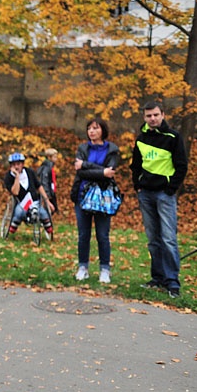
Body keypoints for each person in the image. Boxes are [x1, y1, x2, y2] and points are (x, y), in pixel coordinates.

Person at [130, 101, 188, 299]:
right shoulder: (141, 139)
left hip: (165, 194)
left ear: (163, 114)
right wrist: (137, 185)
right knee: (153, 240)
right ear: (144, 117)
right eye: (148, 116)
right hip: (145, 193)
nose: (152, 118)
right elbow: (135, 165)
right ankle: (157, 278)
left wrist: (171, 188)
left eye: (155, 115)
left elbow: (181, 165)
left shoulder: (173, 137)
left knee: (168, 239)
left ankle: (172, 282)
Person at [70, 119, 120, 283]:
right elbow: (81, 173)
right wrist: (100, 171)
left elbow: (110, 173)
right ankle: (83, 267)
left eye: (95, 128)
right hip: (82, 196)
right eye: (89, 128)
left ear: (103, 130)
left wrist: (86, 165)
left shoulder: (112, 149)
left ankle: (105, 269)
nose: (91, 131)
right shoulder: (83, 148)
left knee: (102, 235)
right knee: (83, 234)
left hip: (103, 197)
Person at [3, 152, 55, 238]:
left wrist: (47, 201)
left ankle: (48, 229)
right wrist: (17, 177)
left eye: (18, 164)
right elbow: (15, 192)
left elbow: (39, 186)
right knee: (19, 212)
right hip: (21, 202)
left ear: (22, 164)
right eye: (14, 164)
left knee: (43, 213)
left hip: (34, 201)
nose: (16, 167)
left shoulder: (29, 172)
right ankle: (14, 225)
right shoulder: (8, 177)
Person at [37, 148, 59, 214]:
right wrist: (47, 195)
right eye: (54, 157)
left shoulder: (50, 167)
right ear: (49, 157)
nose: (56, 159)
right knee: (46, 210)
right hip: (47, 193)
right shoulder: (46, 168)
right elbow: (44, 182)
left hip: (51, 191)